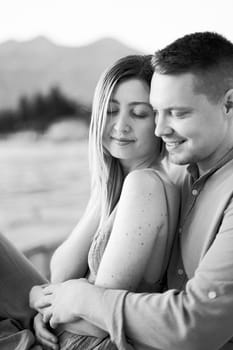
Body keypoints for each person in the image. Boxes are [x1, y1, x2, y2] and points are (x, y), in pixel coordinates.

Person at [34, 31, 233, 350]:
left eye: (177, 113)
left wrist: (76, 301)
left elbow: (194, 325)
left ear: (229, 104)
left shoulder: (154, 184)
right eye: (156, 112)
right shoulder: (184, 174)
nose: (158, 128)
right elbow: (60, 272)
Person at [30, 54, 179, 349]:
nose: (120, 125)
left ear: (159, 120)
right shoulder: (119, 182)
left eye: (138, 113)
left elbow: (99, 319)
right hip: (65, 336)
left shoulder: (144, 184)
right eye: (110, 111)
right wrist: (42, 299)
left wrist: (40, 304)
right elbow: (60, 273)